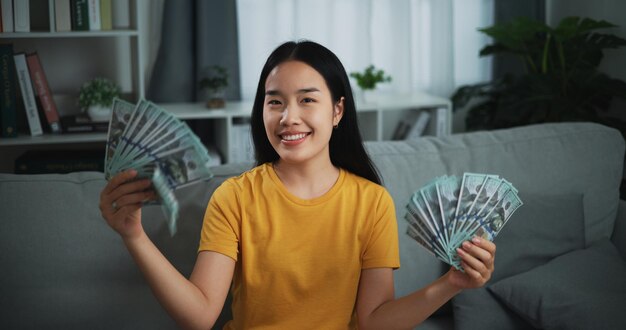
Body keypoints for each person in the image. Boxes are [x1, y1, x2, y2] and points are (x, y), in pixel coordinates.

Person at [99, 40, 496, 329]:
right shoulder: (234, 197)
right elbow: (201, 316)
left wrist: (452, 284)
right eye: (275, 102)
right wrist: (134, 235)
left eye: (307, 100)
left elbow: (375, 321)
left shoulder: (371, 202)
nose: (289, 117)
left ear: (337, 110)